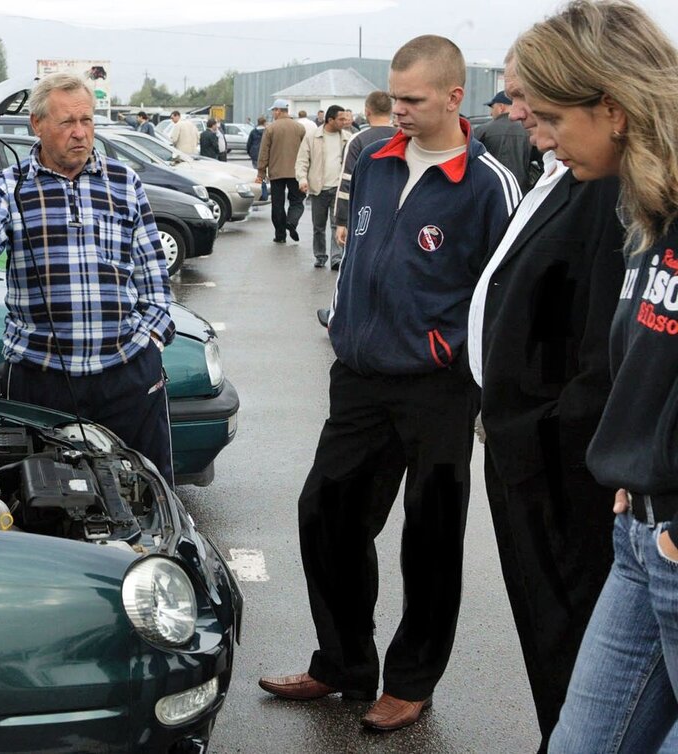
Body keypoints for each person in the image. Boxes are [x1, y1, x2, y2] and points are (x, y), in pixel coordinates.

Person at [258, 34, 519, 732]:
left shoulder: (489, 183)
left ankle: (410, 682)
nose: (396, 111)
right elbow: (358, 249)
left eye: (412, 100)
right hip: (361, 376)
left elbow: (506, 294)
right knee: (326, 513)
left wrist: (449, 348)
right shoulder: (372, 158)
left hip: (437, 386)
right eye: (393, 97)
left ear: (453, 97)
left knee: (430, 539)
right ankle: (342, 664)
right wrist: (346, 322)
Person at [511, 2, 678, 750]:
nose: (539, 137)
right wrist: (635, 459)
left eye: (549, 116)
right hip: (638, 534)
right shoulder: (648, 209)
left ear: (610, 106)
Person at [0, 73, 176, 484]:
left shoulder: (124, 182)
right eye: (67, 123)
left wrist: (152, 340)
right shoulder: (9, 187)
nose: (80, 134)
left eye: (87, 121)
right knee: (46, 500)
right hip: (42, 382)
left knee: (147, 490)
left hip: (127, 374)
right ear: (37, 124)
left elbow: (152, 271)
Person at [468, 49, 623, 753]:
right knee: (547, 631)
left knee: (572, 638)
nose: (520, 112)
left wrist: (542, 435)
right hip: (526, 446)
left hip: (558, 463)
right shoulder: (564, 174)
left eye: (533, 98)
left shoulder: (603, 190)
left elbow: (604, 348)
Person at [317, 90, 399, 329]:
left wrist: (341, 221)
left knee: (352, 267)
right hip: (398, 211)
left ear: (367, 111)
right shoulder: (404, 136)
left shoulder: (358, 140)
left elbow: (346, 184)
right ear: (391, 110)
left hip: (365, 215)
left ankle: (338, 315)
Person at [296, 104, 353, 269]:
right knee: (318, 226)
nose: (344, 121)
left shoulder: (347, 138)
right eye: (341, 119)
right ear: (330, 120)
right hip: (318, 188)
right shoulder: (312, 136)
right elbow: (302, 160)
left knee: (338, 224)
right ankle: (320, 256)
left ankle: (337, 258)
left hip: (339, 189)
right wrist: (302, 179)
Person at [256, 98, 308, 245]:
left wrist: (261, 172)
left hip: (276, 172)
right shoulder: (299, 128)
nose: (273, 113)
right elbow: (305, 151)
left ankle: (280, 234)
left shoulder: (271, 128)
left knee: (277, 204)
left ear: (278, 111)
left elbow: (264, 151)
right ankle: (291, 222)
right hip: (296, 172)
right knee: (297, 201)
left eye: (273, 110)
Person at [475, 90, 542, 194]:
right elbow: (544, 162)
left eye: (493, 108)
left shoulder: (481, 130)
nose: (491, 113)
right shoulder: (530, 131)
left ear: (501, 107)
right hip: (522, 192)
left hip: (488, 191)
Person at [246, 115, 270, 202]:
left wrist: (250, 153)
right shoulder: (268, 132)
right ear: (264, 123)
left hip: (255, 154)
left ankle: (259, 192)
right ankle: (264, 192)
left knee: (257, 174)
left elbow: (249, 144)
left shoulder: (253, 132)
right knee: (265, 174)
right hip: (266, 155)